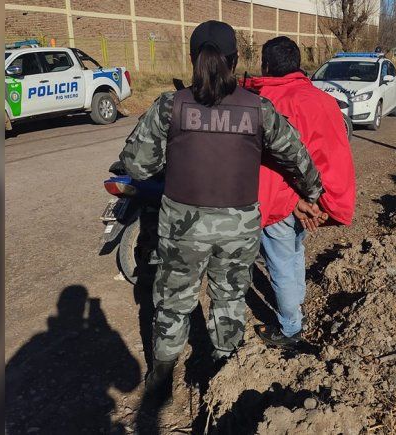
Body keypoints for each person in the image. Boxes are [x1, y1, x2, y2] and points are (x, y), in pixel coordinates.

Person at [118, 21, 323, 402]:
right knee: (229, 299)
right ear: (235, 60)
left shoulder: (170, 105)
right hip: (239, 228)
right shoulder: (259, 108)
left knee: (173, 303)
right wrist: (312, 191)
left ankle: (160, 383)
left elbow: (136, 165)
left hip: (182, 227)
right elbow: (296, 155)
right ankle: (223, 375)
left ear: (194, 58)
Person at [241, 36, 356, 348]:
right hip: (310, 198)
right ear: (296, 63)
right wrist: (319, 200)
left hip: (282, 200)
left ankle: (291, 329)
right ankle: (297, 308)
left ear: (266, 65)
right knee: (293, 253)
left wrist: (292, 201)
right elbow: (333, 154)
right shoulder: (320, 98)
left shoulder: (267, 102)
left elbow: (264, 163)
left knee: (279, 263)